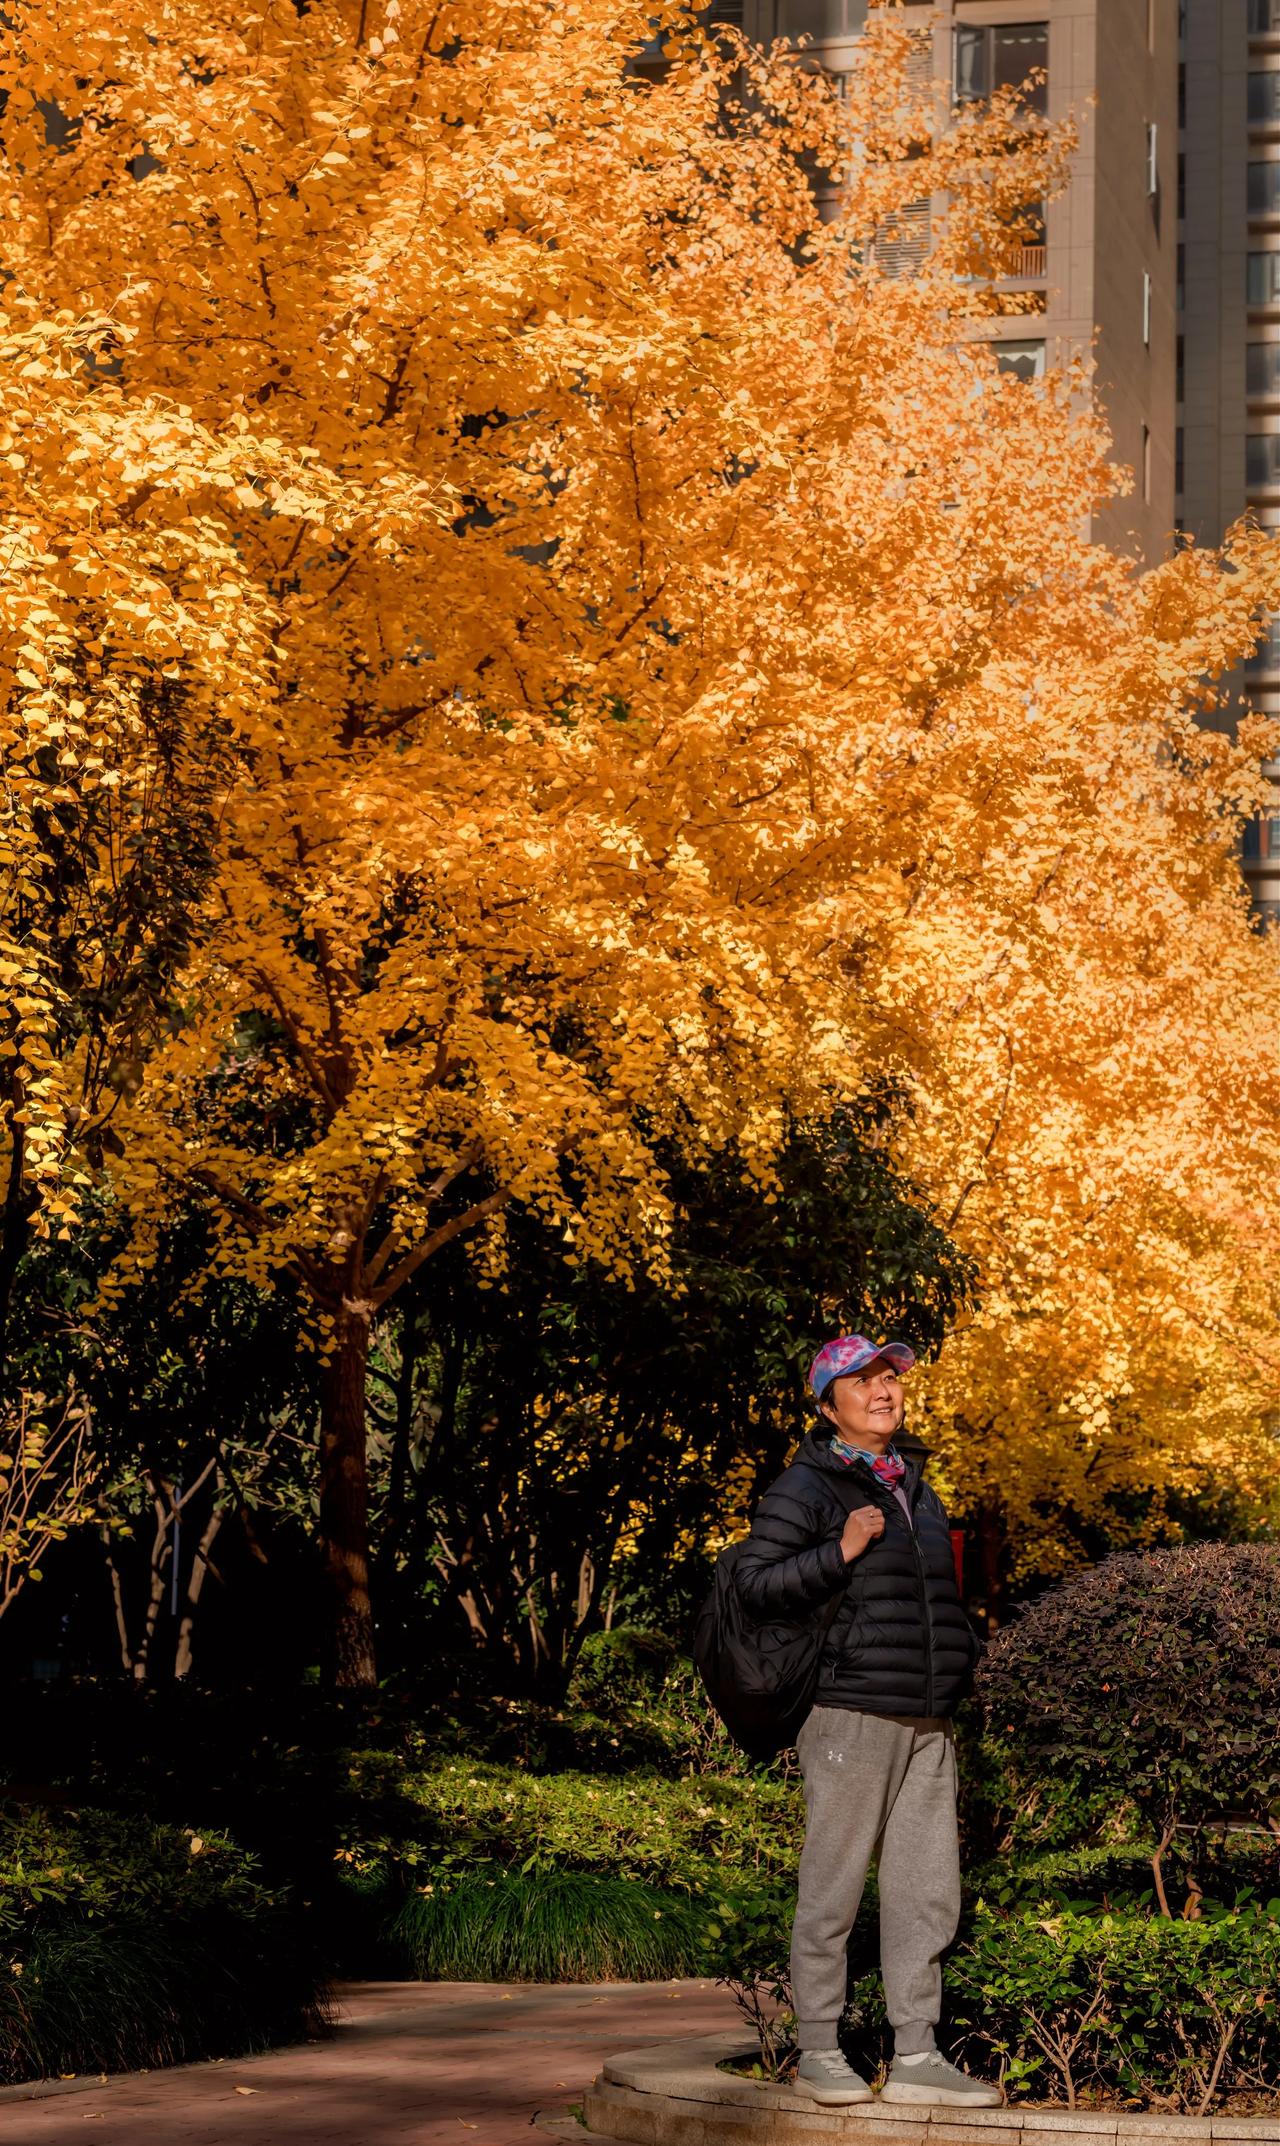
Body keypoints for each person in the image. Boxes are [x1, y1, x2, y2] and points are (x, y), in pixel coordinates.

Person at [734, 1333, 1000, 2110]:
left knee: (926, 1893)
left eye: (890, 1377)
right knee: (834, 1888)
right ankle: (818, 2046)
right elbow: (753, 1584)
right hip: (848, 1711)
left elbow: (931, 1602)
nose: (884, 1390)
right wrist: (839, 1551)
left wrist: (963, 1663)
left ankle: (916, 2056)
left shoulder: (913, 1483)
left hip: (927, 1718)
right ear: (828, 1406)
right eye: (863, 1381)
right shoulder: (807, 1486)